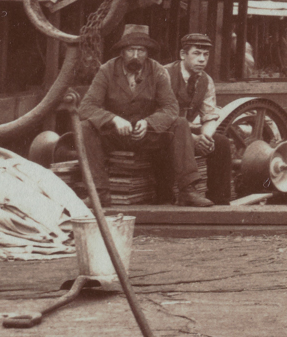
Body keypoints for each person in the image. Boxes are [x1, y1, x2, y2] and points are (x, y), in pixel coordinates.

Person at [77, 24, 206, 205]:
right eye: (131, 50)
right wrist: (113, 119)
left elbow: (171, 107)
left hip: (147, 135)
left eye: (141, 50)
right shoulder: (106, 70)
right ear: (122, 52)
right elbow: (86, 107)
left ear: (147, 53)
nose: (136, 56)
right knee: (85, 127)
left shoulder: (157, 71)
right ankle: (99, 193)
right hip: (116, 135)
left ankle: (187, 191)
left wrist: (149, 123)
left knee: (180, 123)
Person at [164, 31, 226, 205]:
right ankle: (177, 195)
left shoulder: (206, 81)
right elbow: (159, 114)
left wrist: (205, 137)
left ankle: (220, 202)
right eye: (196, 54)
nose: (202, 60)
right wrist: (193, 138)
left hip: (188, 131)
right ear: (183, 55)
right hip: (164, 129)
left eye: (206, 55)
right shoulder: (165, 75)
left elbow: (209, 115)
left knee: (221, 144)